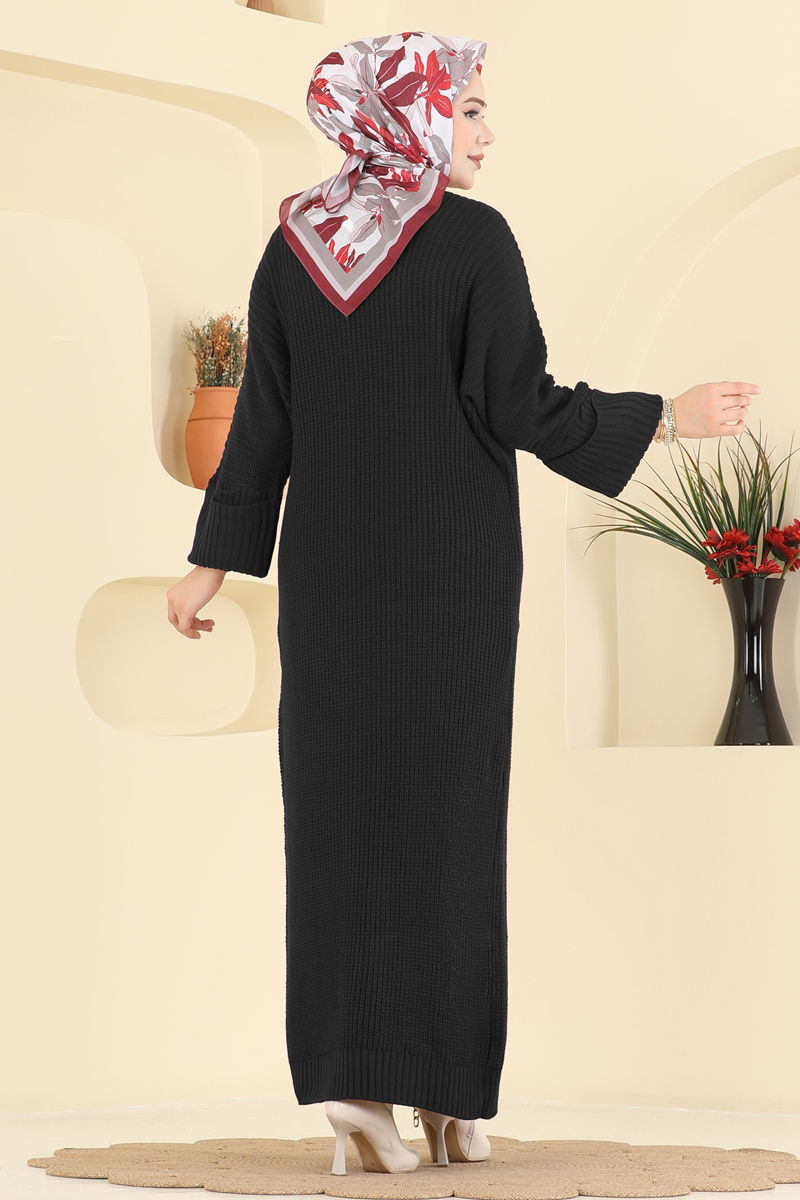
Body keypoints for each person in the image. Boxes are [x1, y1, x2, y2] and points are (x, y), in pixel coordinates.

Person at [167, 31, 759, 1176]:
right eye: (470, 108)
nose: (487, 132)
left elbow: (261, 428)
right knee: (446, 823)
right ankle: (443, 1093)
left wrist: (213, 563)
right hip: (452, 582)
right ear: (408, 115)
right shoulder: (473, 238)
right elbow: (519, 404)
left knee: (337, 825)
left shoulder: (294, 249)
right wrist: (664, 416)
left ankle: (362, 1092)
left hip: (330, 588)